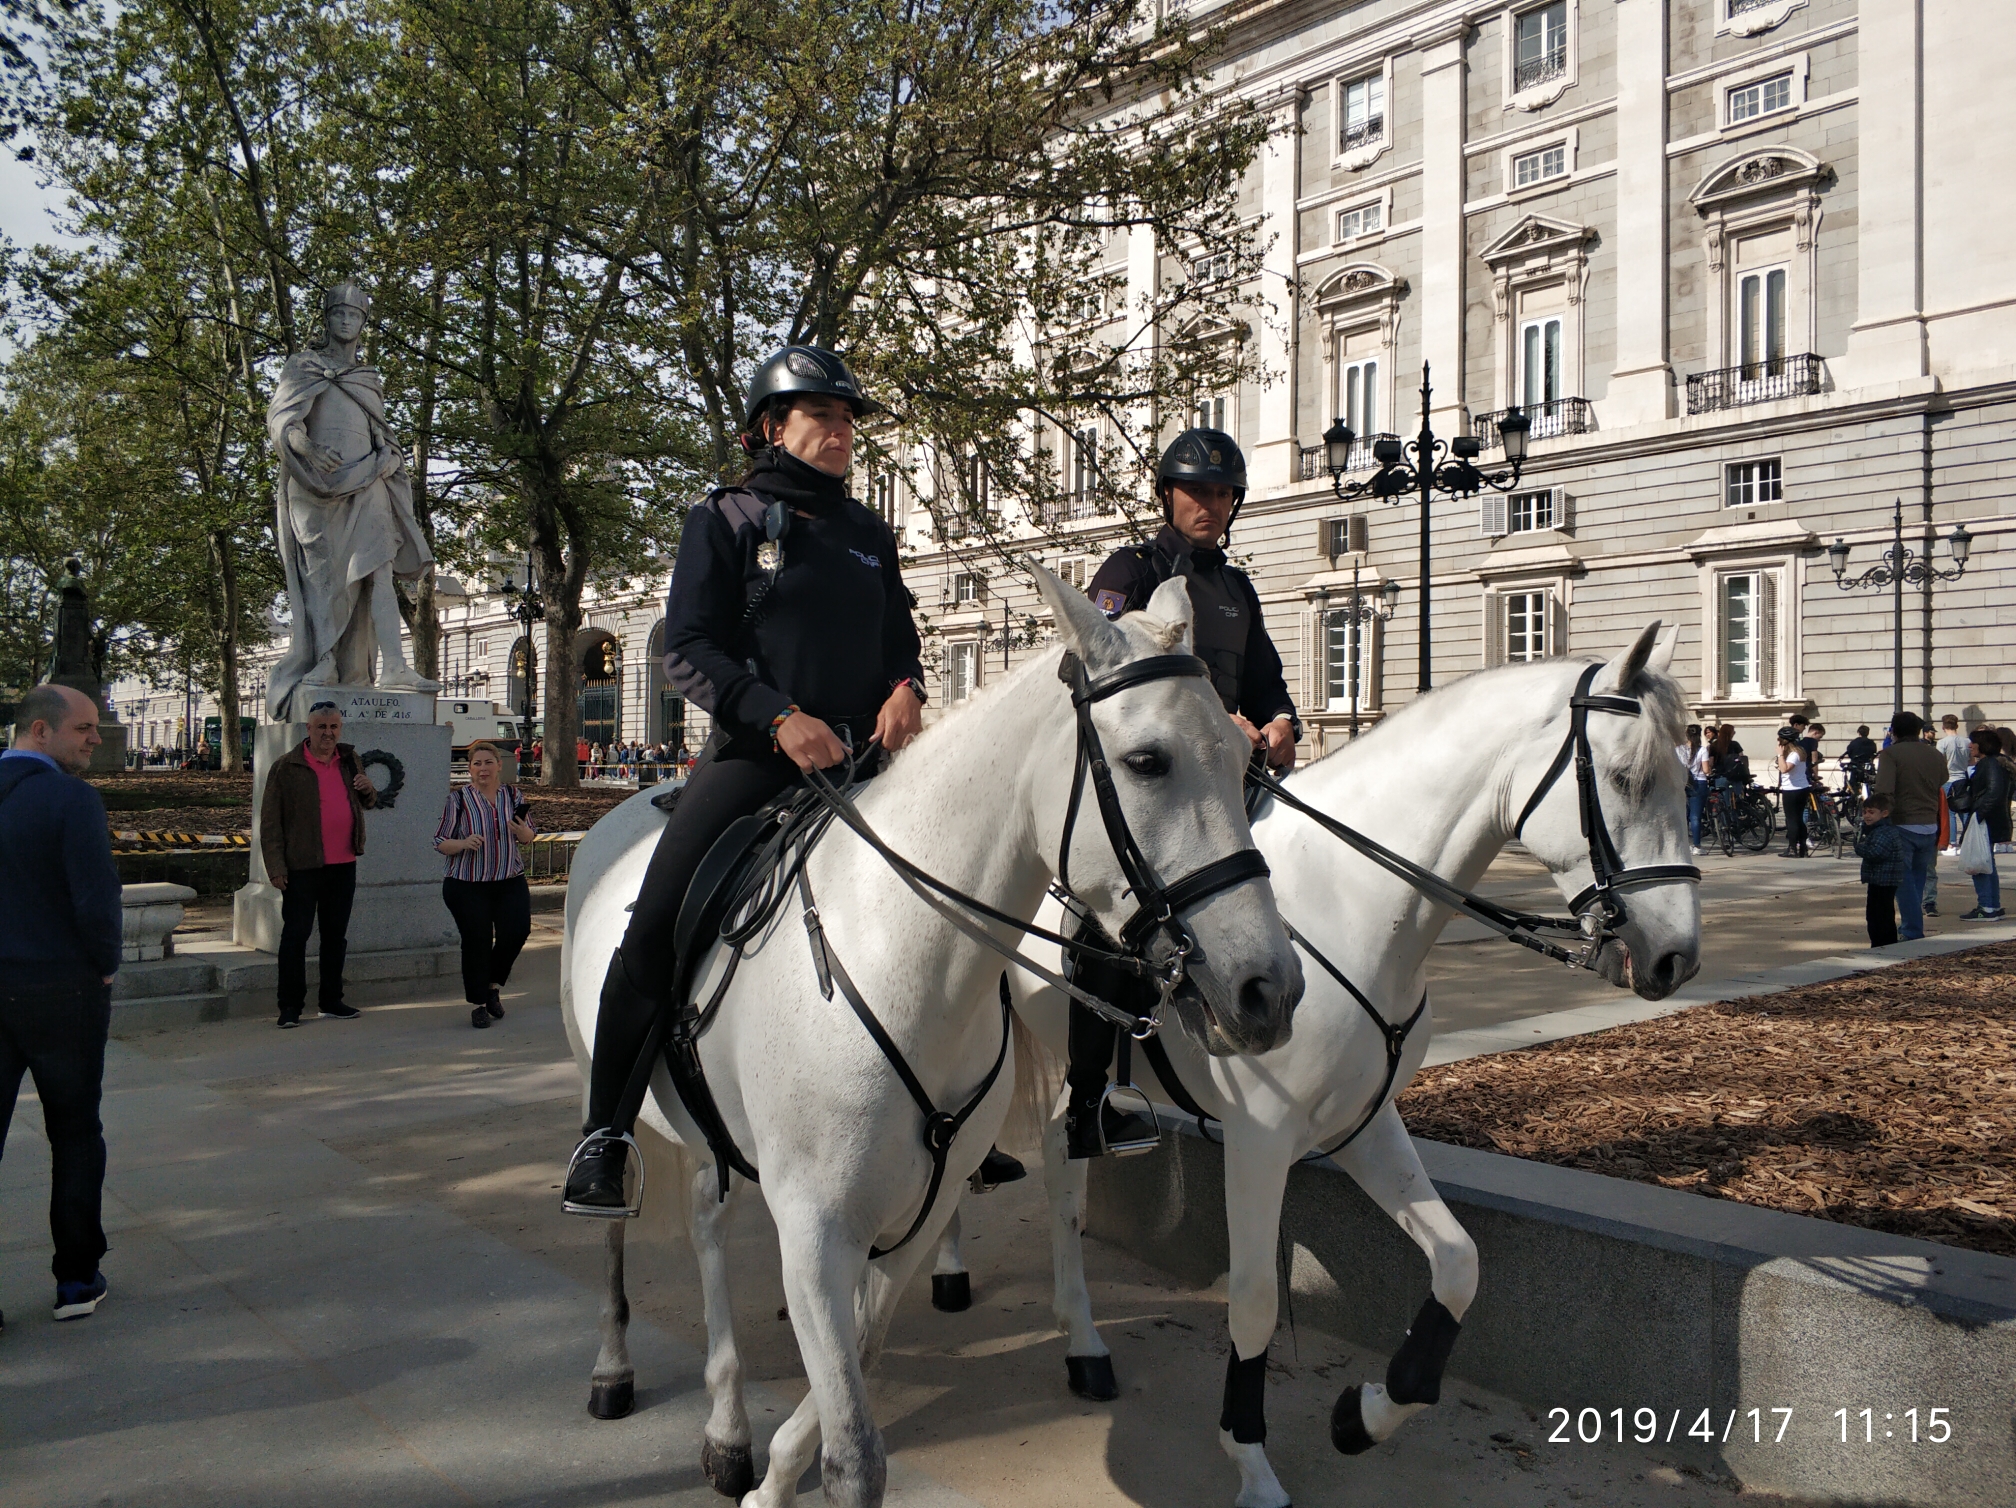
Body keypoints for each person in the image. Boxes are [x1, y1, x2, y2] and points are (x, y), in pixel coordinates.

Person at [565, 343, 936, 1212]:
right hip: (758, 759)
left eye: (848, 422)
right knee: (657, 921)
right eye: (824, 418)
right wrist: (776, 715)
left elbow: (899, 642)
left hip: (868, 763)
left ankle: (952, 1111)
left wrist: (907, 688)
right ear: (772, 427)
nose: (843, 436)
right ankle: (605, 1134)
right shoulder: (725, 519)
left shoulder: (868, 533)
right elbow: (687, 651)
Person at [1064, 426, 1301, 1160]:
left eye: (1225, 493)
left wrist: (1281, 719)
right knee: (1103, 932)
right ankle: (1089, 1099)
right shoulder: (1130, 570)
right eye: (1198, 490)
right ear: (1167, 495)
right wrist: (1204, 720)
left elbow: (1265, 679)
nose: (1212, 504)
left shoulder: (1235, 587)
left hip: (1238, 775)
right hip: (1156, 785)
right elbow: (1086, 670)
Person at [0, 685, 123, 1323]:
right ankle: (76, 1279)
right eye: (84, 729)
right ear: (40, 731)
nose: (95, 739)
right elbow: (96, 900)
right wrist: (105, 964)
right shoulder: (71, 799)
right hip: (61, 993)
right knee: (75, 1133)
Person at [260, 700, 379, 1027]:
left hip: (343, 863)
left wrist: (369, 790)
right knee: (295, 936)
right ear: (308, 729)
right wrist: (276, 866)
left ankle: (331, 1000)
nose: (328, 733)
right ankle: (289, 1007)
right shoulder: (286, 767)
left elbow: (365, 802)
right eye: (322, 727)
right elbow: (270, 822)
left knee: (335, 936)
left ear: (339, 728)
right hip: (301, 866)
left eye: (334, 727)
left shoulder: (349, 760)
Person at [434, 741, 537, 1029]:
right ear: (469, 769)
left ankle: (492, 985)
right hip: (467, 884)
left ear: (499, 765)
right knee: (477, 941)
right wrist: (464, 843)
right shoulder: (459, 800)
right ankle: (479, 1004)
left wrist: (524, 831)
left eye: (488, 763)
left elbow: (530, 835)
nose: (483, 769)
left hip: (509, 879)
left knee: (517, 931)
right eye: (477, 764)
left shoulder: (514, 795)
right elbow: (440, 841)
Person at [1873, 711, 1947, 942]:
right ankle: (1912, 925)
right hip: (1928, 821)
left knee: (1902, 881)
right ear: (1918, 731)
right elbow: (1943, 779)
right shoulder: (1934, 753)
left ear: (1893, 732)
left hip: (1902, 822)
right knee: (1918, 878)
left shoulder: (1890, 754)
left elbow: (1884, 789)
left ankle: (1912, 929)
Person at [1948, 726, 2011, 920]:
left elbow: (1994, 792)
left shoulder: (1989, 764)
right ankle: (1991, 904)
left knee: (1980, 863)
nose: (1970, 745)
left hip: (1984, 820)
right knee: (1986, 862)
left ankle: (1987, 905)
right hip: (1990, 819)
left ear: (1981, 745)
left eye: (1973, 742)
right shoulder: (1993, 763)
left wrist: (1979, 814)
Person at [1854, 794, 1907, 947]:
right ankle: (1884, 941)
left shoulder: (1882, 831)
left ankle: (1881, 942)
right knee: (1881, 913)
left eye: (1871, 812)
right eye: (1864, 812)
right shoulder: (1879, 830)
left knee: (1878, 915)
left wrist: (1860, 848)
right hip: (1881, 878)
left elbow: (1877, 852)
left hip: (1883, 880)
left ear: (1884, 813)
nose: (1866, 816)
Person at [1937, 715, 1971, 851]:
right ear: (1957, 726)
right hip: (1962, 777)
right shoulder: (1967, 741)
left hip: (1948, 778)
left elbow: (1939, 762)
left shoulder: (1942, 742)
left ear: (1943, 727)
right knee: (1964, 810)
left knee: (1949, 812)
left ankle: (1951, 842)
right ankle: (1968, 839)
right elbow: (1971, 761)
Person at [1776, 727, 1811, 858]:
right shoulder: (1799, 752)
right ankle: (1802, 847)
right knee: (1798, 818)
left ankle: (1792, 848)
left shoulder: (1794, 754)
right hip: (1801, 787)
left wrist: (1780, 755)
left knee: (1791, 819)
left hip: (1792, 789)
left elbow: (1785, 769)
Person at [1682, 724, 1710, 855]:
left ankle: (1684, 844)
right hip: (1699, 782)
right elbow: (1706, 770)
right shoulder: (1702, 750)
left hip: (1683, 783)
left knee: (1684, 816)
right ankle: (1697, 845)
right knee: (1695, 816)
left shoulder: (1679, 750)